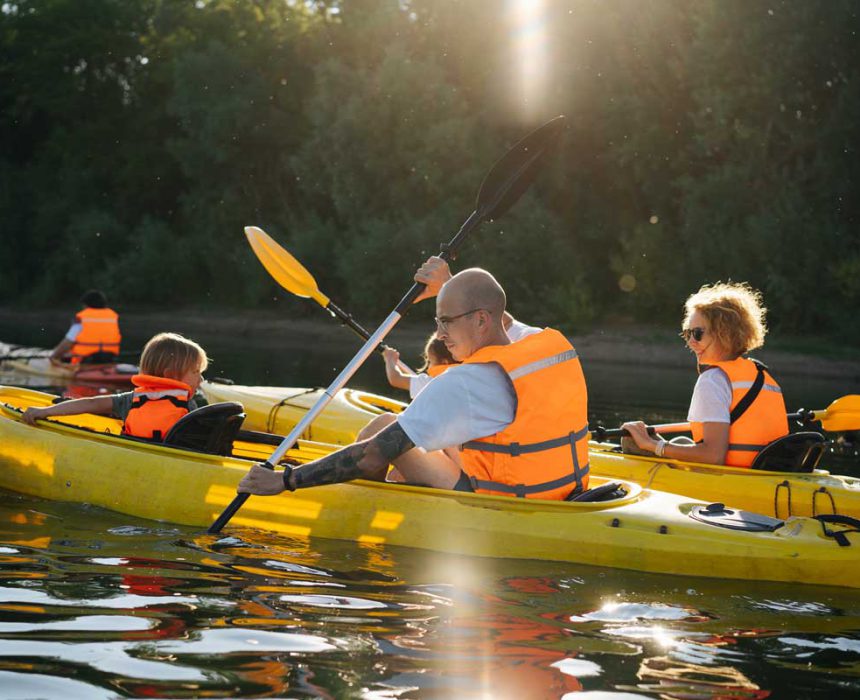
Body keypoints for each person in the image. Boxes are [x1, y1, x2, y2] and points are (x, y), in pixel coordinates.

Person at [239, 262, 591, 501]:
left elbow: (372, 454)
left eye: (446, 322)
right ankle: (385, 493)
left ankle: (361, 514)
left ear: (482, 320)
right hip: (559, 489)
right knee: (384, 422)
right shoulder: (541, 342)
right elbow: (498, 311)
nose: (439, 334)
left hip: (501, 503)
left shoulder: (465, 383)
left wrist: (285, 480)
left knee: (380, 439)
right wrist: (450, 282)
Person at [621, 282, 788, 467]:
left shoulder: (713, 380)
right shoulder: (763, 376)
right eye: (687, 333)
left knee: (629, 442)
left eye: (698, 333)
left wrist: (653, 445)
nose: (691, 342)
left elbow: (713, 456)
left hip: (733, 478)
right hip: (767, 473)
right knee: (682, 443)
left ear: (724, 333)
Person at [23, 332, 209, 440]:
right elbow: (90, 404)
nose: (200, 379)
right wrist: (44, 412)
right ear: (170, 374)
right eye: (195, 372)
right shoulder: (187, 406)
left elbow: (91, 404)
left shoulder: (132, 400)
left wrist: (45, 412)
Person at [50, 289, 121, 366]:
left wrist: (53, 357)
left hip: (85, 361)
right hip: (109, 359)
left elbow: (67, 343)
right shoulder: (112, 318)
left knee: (64, 354)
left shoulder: (81, 318)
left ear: (86, 305)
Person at [382, 332, 457, 399]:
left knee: (388, 415)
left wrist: (389, 359)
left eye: (430, 361)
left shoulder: (431, 383)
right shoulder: (462, 379)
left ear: (445, 362)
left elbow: (396, 379)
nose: (428, 366)